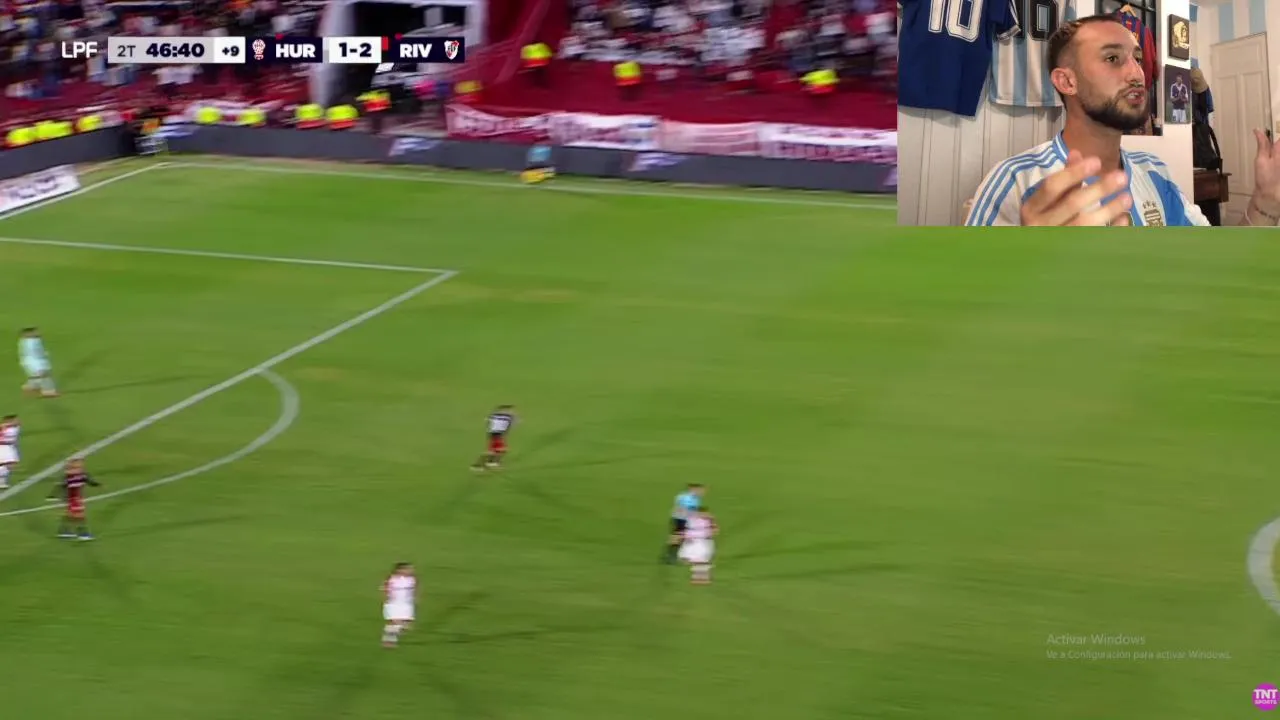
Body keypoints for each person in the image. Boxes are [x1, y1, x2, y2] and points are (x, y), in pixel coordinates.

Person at [966, 15, 1280, 227]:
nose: (1137, 73)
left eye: (1138, 58)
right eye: (1113, 58)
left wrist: (1265, 202)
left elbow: (1215, 265)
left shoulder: (1155, 172)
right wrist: (1031, 262)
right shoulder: (1015, 181)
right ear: (1067, 81)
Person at [663, 483, 704, 564]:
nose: (701, 492)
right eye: (699, 490)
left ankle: (671, 555)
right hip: (680, 519)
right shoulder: (685, 497)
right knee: (678, 537)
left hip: (685, 519)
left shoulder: (695, 498)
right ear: (693, 489)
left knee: (680, 537)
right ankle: (671, 556)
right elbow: (686, 508)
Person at [676, 506, 718, 585]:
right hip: (693, 542)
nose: (702, 515)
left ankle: (704, 578)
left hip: (703, 542)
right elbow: (686, 529)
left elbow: (714, 531)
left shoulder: (707, 521)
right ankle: (697, 577)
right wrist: (683, 536)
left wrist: (712, 524)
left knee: (701, 561)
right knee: (694, 560)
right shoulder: (692, 520)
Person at [381, 562, 417, 647]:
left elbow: (413, 590)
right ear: (399, 570)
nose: (410, 571)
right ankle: (388, 642)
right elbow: (385, 589)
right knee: (396, 623)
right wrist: (387, 598)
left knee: (405, 625)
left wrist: (414, 598)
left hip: (407, 604)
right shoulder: (392, 579)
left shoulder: (411, 579)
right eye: (407, 569)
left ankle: (390, 638)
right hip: (394, 604)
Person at [19, 328, 59, 398]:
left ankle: (31, 386)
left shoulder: (33, 340)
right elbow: (34, 352)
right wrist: (44, 354)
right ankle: (48, 391)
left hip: (37, 360)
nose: (37, 333)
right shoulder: (30, 342)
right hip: (33, 361)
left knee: (38, 374)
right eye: (34, 332)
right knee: (44, 374)